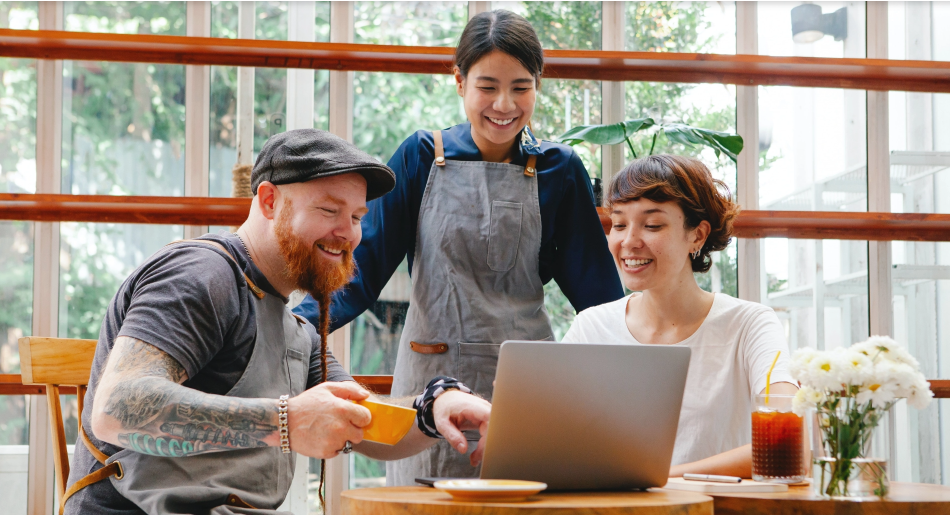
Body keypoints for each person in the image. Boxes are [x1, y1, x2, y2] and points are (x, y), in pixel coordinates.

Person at [65, 129, 491, 515]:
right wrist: (287, 422)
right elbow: (117, 409)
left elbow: (367, 423)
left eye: (358, 217)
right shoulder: (200, 275)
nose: (349, 233)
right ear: (269, 201)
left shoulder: (295, 330)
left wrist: (434, 409)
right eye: (329, 209)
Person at [293, 10, 624, 485]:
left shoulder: (560, 169)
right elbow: (359, 273)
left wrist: (645, 373)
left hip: (527, 389)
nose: (504, 104)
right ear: (459, 82)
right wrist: (294, 324)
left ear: (538, 85)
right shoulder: (421, 156)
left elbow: (600, 300)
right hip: (430, 394)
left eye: (521, 86)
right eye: (487, 86)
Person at [562, 154, 798, 478]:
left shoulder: (749, 325)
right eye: (618, 224)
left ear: (697, 235)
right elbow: (555, 442)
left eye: (652, 225)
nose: (628, 241)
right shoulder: (591, 327)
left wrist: (657, 479)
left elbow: (791, 445)